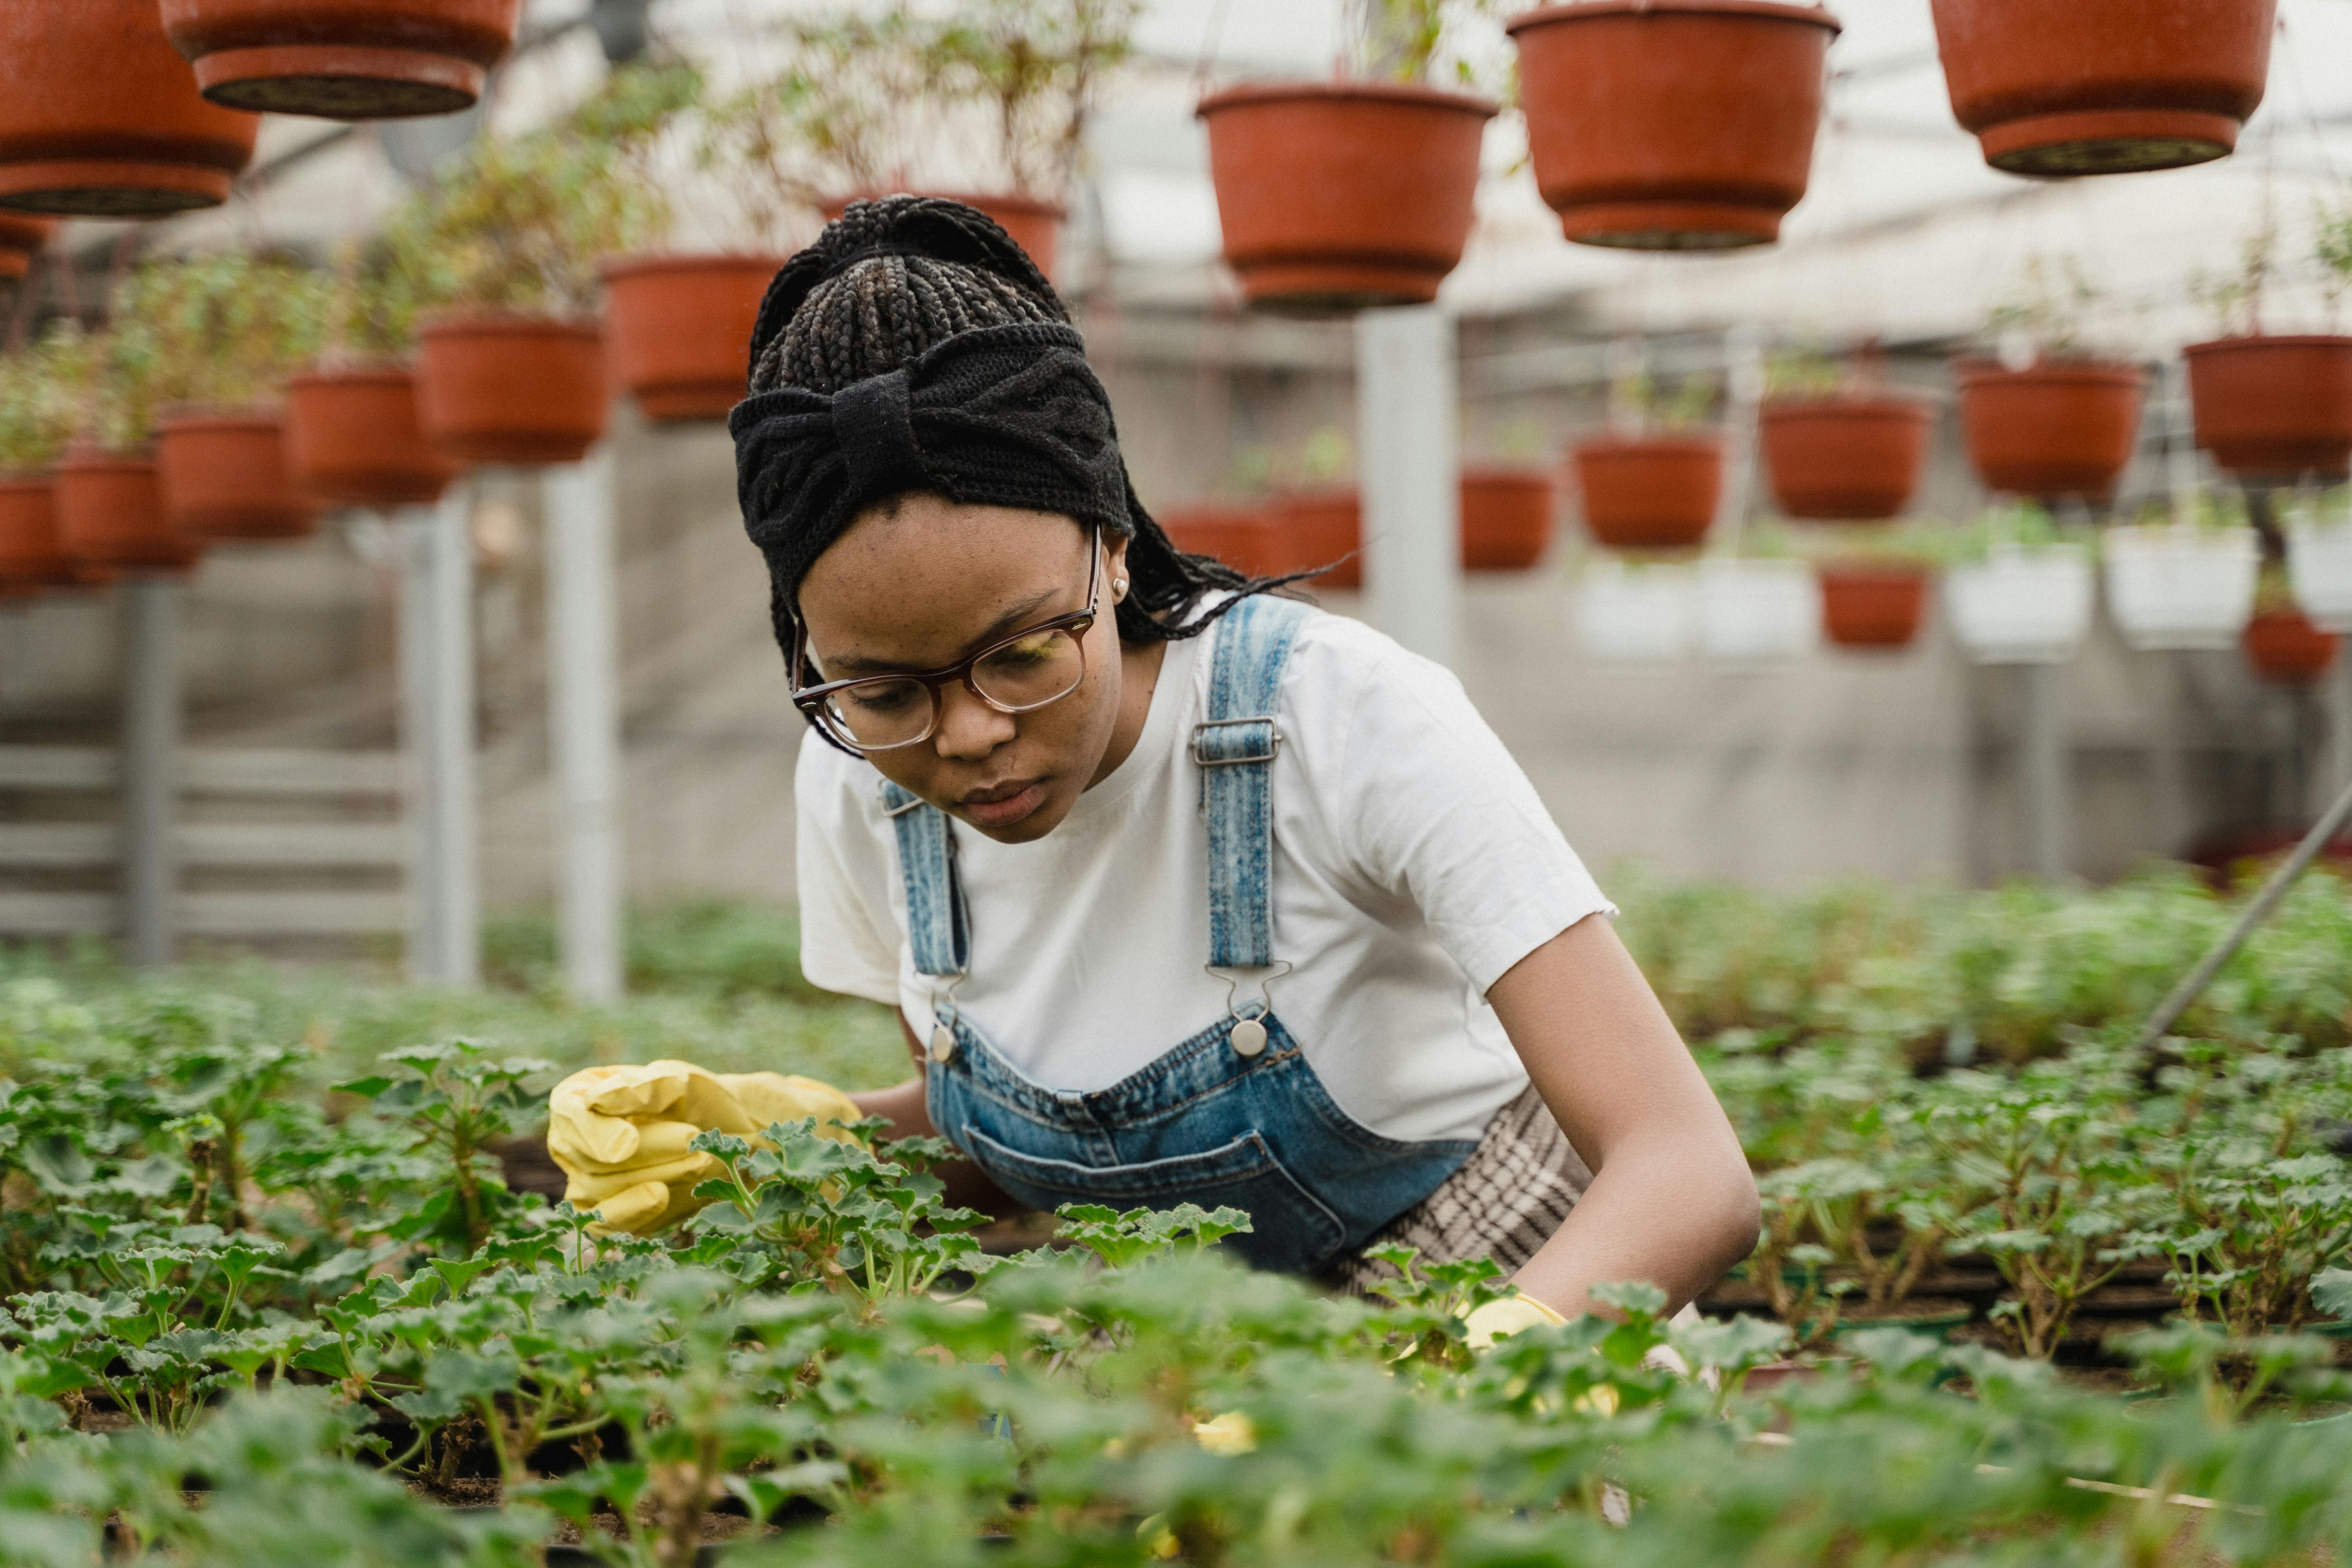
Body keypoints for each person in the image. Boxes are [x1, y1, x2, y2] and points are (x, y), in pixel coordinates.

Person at [554, 196, 1759, 1329]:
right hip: (1180, 1353)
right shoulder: (864, 789)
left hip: (1507, 1290)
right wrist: (782, 1148)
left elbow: (1686, 1168)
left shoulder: (1334, 718)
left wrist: (1477, 1377)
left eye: (1021, 652)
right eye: (881, 688)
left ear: (1113, 553)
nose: (966, 732)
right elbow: (999, 1150)